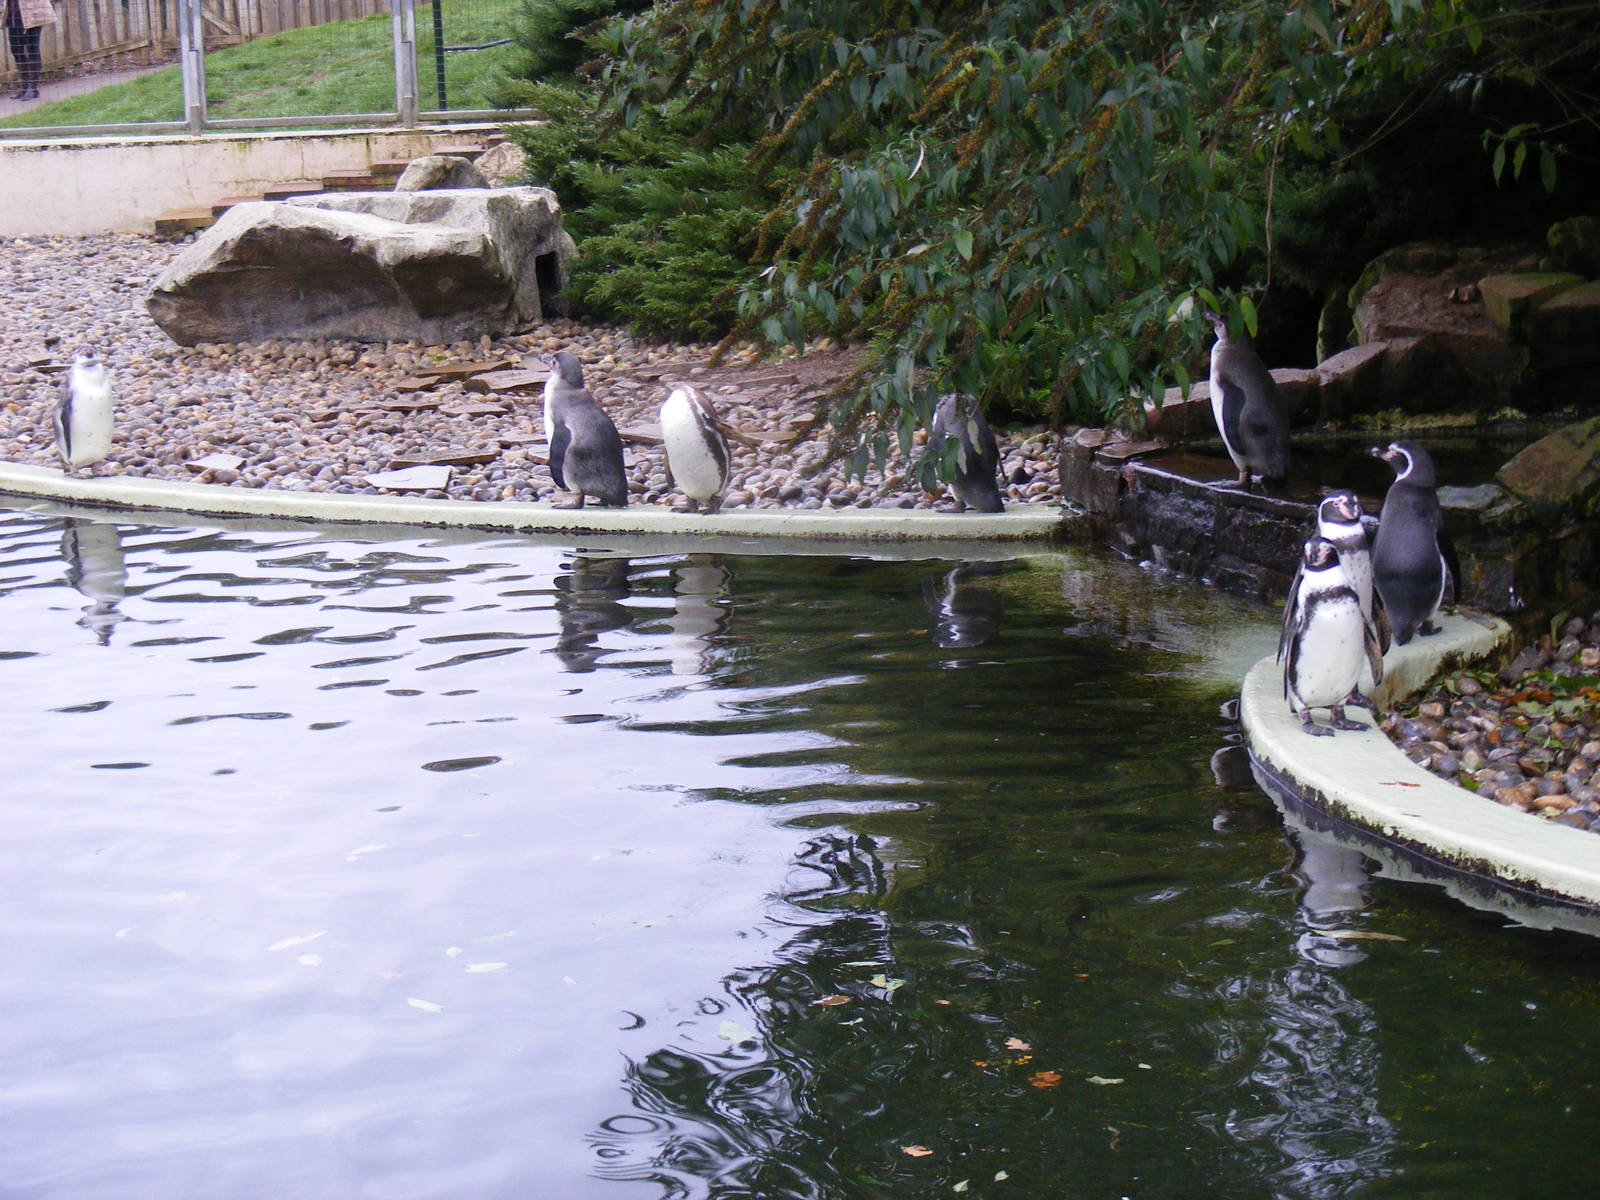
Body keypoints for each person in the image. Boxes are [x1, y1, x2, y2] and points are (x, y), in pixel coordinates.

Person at [4, 0, 54, 102]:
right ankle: (25, 87)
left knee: (32, 48)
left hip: (32, 12)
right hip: (13, 13)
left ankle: (33, 88)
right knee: (16, 50)